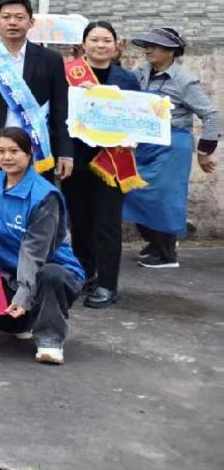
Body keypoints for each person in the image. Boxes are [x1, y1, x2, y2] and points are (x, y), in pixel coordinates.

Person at [0, 128, 85, 366]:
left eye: (14, 151)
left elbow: (34, 252)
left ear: (29, 153)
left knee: (50, 275)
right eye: (1, 151)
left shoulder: (44, 196)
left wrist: (23, 295)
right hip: (9, 272)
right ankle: (23, 322)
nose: (7, 157)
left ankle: (50, 340)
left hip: (50, 270)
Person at [60, 22, 141, 307]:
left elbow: (138, 116)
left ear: (116, 45)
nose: (101, 45)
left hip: (112, 161)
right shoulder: (68, 74)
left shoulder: (127, 79)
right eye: (94, 40)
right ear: (84, 44)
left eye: (107, 40)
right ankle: (86, 274)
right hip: (76, 159)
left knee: (108, 224)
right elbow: (59, 115)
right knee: (80, 222)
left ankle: (108, 284)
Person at [124, 28, 219, 270]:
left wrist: (205, 151)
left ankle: (166, 254)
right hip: (146, 144)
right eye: (147, 45)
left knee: (164, 199)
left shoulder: (183, 80)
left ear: (171, 52)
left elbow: (211, 115)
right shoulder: (142, 71)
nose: (148, 50)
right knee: (132, 191)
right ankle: (156, 243)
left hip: (172, 145)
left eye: (155, 46)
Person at [0, 0, 72, 185]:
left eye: (19, 17)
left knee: (37, 202)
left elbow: (60, 109)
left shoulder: (50, 60)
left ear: (31, 22)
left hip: (38, 149)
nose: (12, 22)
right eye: (6, 17)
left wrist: (65, 151)